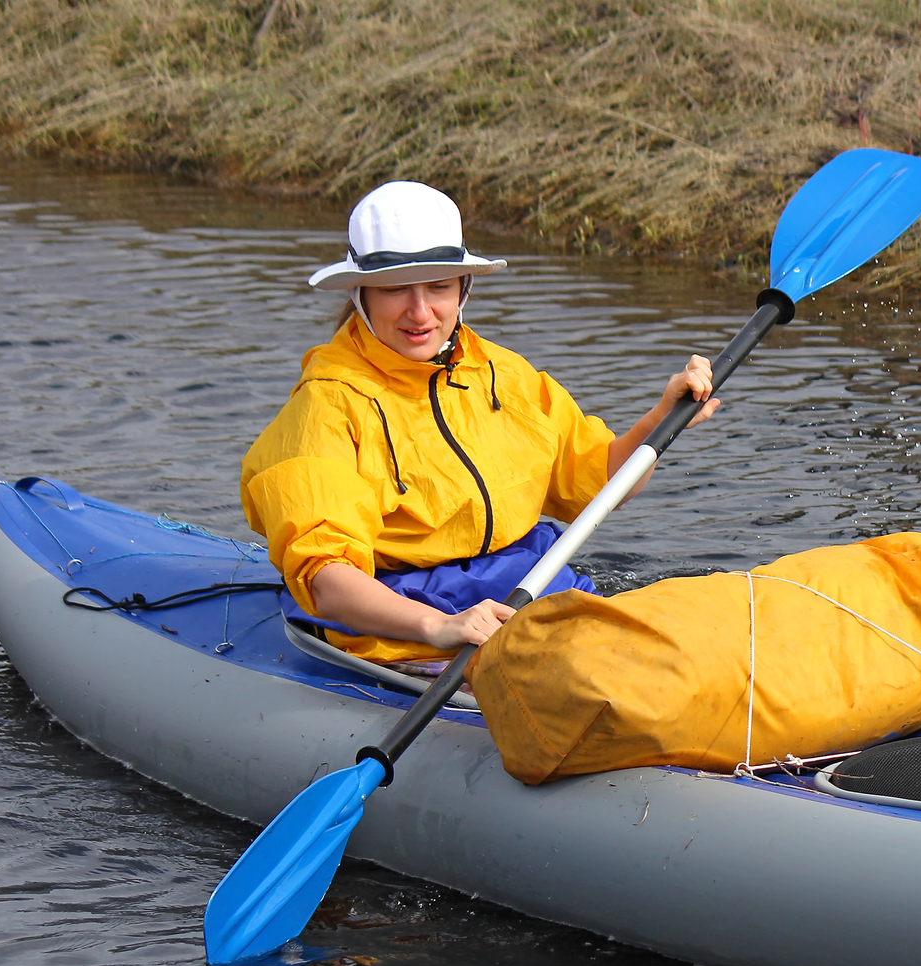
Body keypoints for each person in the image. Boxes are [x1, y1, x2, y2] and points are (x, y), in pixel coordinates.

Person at [240, 180, 719, 664]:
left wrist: (665, 417)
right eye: (396, 290)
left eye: (439, 287)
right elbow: (325, 577)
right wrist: (442, 626)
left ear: (463, 289)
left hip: (528, 587)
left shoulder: (501, 373)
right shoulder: (326, 407)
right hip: (402, 615)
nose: (420, 311)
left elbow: (602, 481)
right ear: (361, 294)